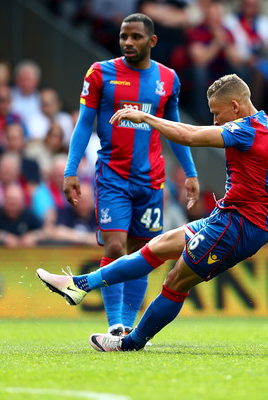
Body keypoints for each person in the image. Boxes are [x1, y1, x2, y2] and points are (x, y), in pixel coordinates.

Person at [37, 74, 268, 351]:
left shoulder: (246, 129)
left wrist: (147, 118)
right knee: (158, 246)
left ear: (235, 106)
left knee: (175, 281)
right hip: (233, 216)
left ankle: (130, 343)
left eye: (217, 114)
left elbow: (191, 136)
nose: (215, 121)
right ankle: (79, 285)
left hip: (240, 224)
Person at [63, 13, 199, 336]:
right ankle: (114, 326)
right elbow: (84, 123)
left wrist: (190, 172)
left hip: (151, 181)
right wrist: (71, 170)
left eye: (136, 37)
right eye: (124, 36)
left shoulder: (168, 79)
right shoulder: (101, 73)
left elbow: (176, 130)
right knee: (114, 248)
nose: (128, 42)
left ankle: (126, 324)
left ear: (152, 41)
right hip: (112, 176)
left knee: (143, 253)